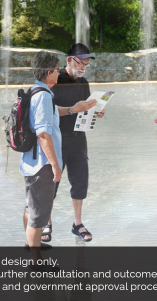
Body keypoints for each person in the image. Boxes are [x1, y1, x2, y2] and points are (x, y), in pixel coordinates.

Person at [47, 43, 101, 244]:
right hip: (57, 139)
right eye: (81, 63)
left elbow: (85, 109)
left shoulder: (83, 82)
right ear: (69, 60)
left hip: (79, 139)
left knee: (79, 183)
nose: (83, 68)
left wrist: (96, 111)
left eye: (86, 65)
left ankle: (77, 223)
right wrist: (72, 109)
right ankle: (46, 222)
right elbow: (47, 109)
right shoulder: (55, 79)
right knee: (51, 182)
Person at [22, 51, 62, 253]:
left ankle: (32, 246)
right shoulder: (44, 96)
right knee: (38, 216)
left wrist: (73, 108)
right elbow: (43, 134)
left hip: (31, 161)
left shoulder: (35, 90)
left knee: (31, 208)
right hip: (42, 165)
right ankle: (35, 263)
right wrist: (55, 165)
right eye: (57, 69)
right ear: (48, 71)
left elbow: (49, 115)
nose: (59, 73)